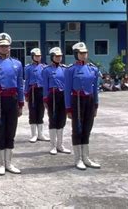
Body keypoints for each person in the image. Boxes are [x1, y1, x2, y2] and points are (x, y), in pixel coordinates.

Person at [0, 33, 24, 176]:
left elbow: (20, 85)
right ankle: (0, 164)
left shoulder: (17, 63)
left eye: (7, 46)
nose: (5, 48)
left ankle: (9, 162)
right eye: (2, 46)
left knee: (11, 131)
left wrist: (21, 103)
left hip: (12, 100)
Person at [65, 42, 101, 170]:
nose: (83, 55)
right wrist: (68, 108)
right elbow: (67, 90)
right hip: (77, 100)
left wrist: (96, 105)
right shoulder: (70, 70)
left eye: (85, 53)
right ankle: (78, 159)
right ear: (76, 54)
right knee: (77, 129)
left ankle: (86, 157)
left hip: (89, 100)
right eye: (81, 53)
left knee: (87, 128)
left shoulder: (93, 69)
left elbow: (95, 89)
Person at [42, 47, 71, 155]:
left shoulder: (65, 69)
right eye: (56, 56)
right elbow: (45, 85)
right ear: (52, 57)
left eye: (60, 56)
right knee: (53, 119)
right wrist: (45, 98)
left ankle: (60, 145)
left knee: (62, 120)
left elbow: (68, 85)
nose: (59, 58)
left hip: (63, 95)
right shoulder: (46, 70)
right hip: (52, 96)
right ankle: (53, 146)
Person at [24, 48, 50, 143]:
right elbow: (26, 81)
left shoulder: (44, 67)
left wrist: (46, 94)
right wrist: (26, 93)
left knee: (41, 111)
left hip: (41, 91)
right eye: (36, 56)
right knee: (33, 111)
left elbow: (47, 82)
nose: (38, 57)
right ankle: (34, 134)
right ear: (32, 56)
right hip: (32, 91)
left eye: (39, 56)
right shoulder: (28, 68)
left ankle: (41, 134)